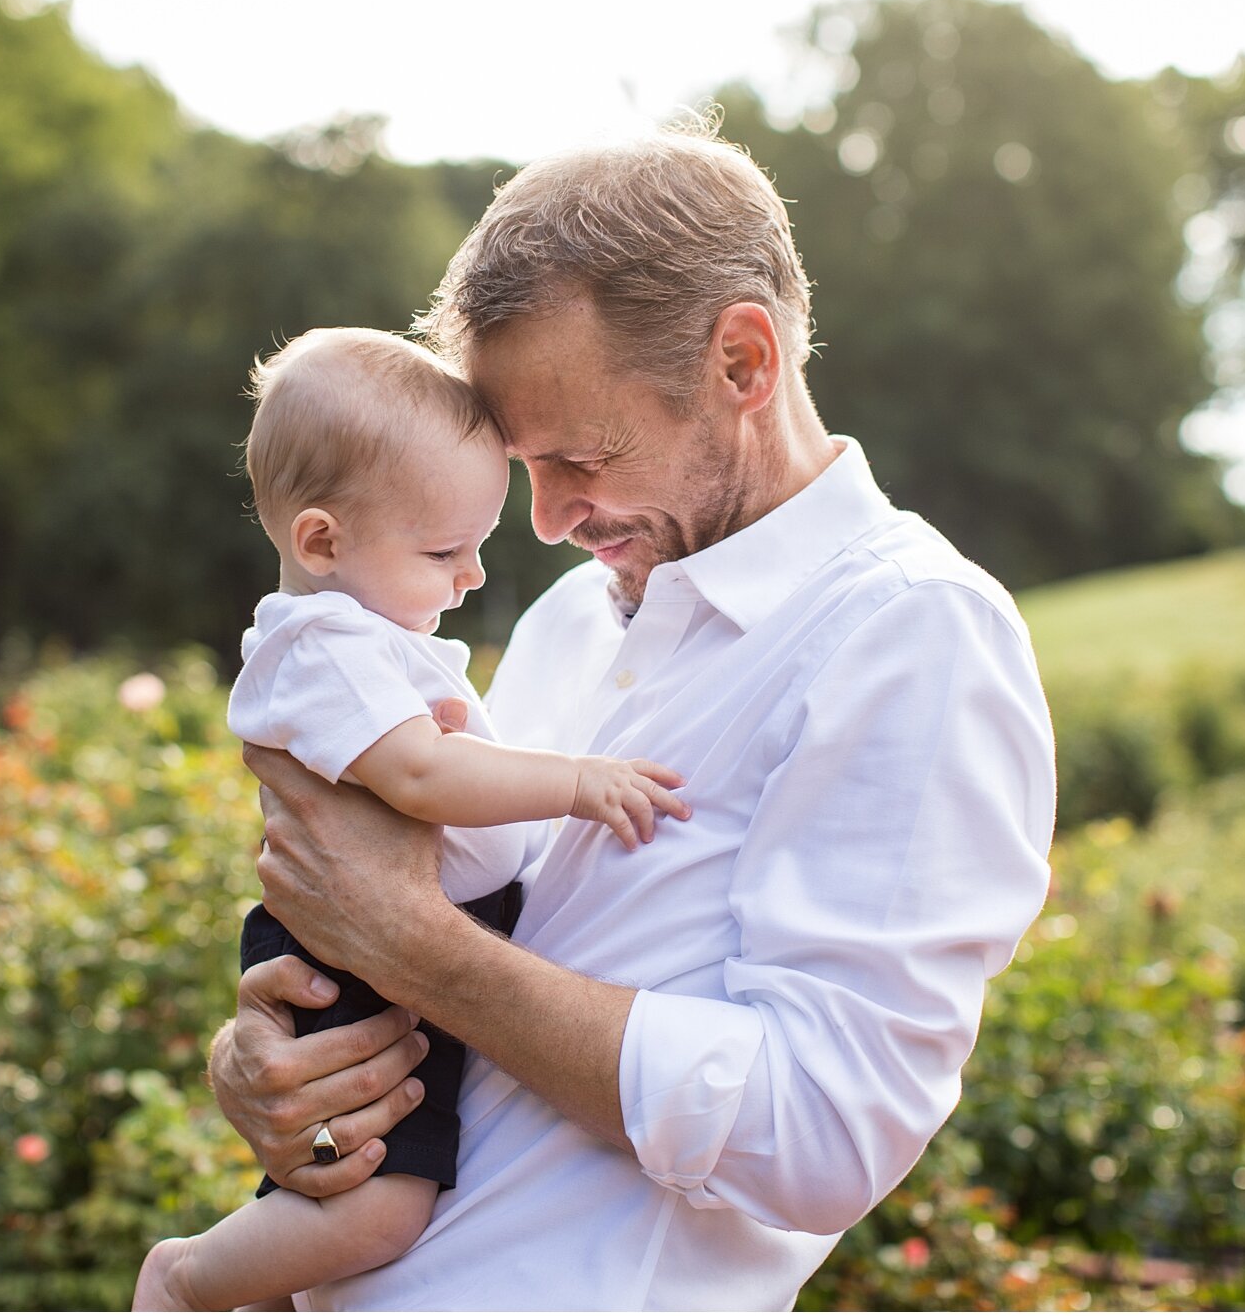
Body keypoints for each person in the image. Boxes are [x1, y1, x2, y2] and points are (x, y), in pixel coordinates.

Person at [149, 119, 1056, 1310]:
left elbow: (824, 1130)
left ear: (743, 362)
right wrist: (274, 1061)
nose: (546, 517)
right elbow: (430, 929)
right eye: (527, 463)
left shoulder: (914, 634)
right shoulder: (571, 622)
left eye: (581, 453)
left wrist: (414, 946)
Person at [136, 328, 689, 1311]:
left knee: (359, 1186)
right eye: (444, 551)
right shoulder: (324, 647)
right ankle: (189, 1278)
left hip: (405, 939)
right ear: (320, 540)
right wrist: (574, 780)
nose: (472, 575)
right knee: (375, 1206)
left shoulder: (367, 631)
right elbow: (426, 775)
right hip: (352, 956)